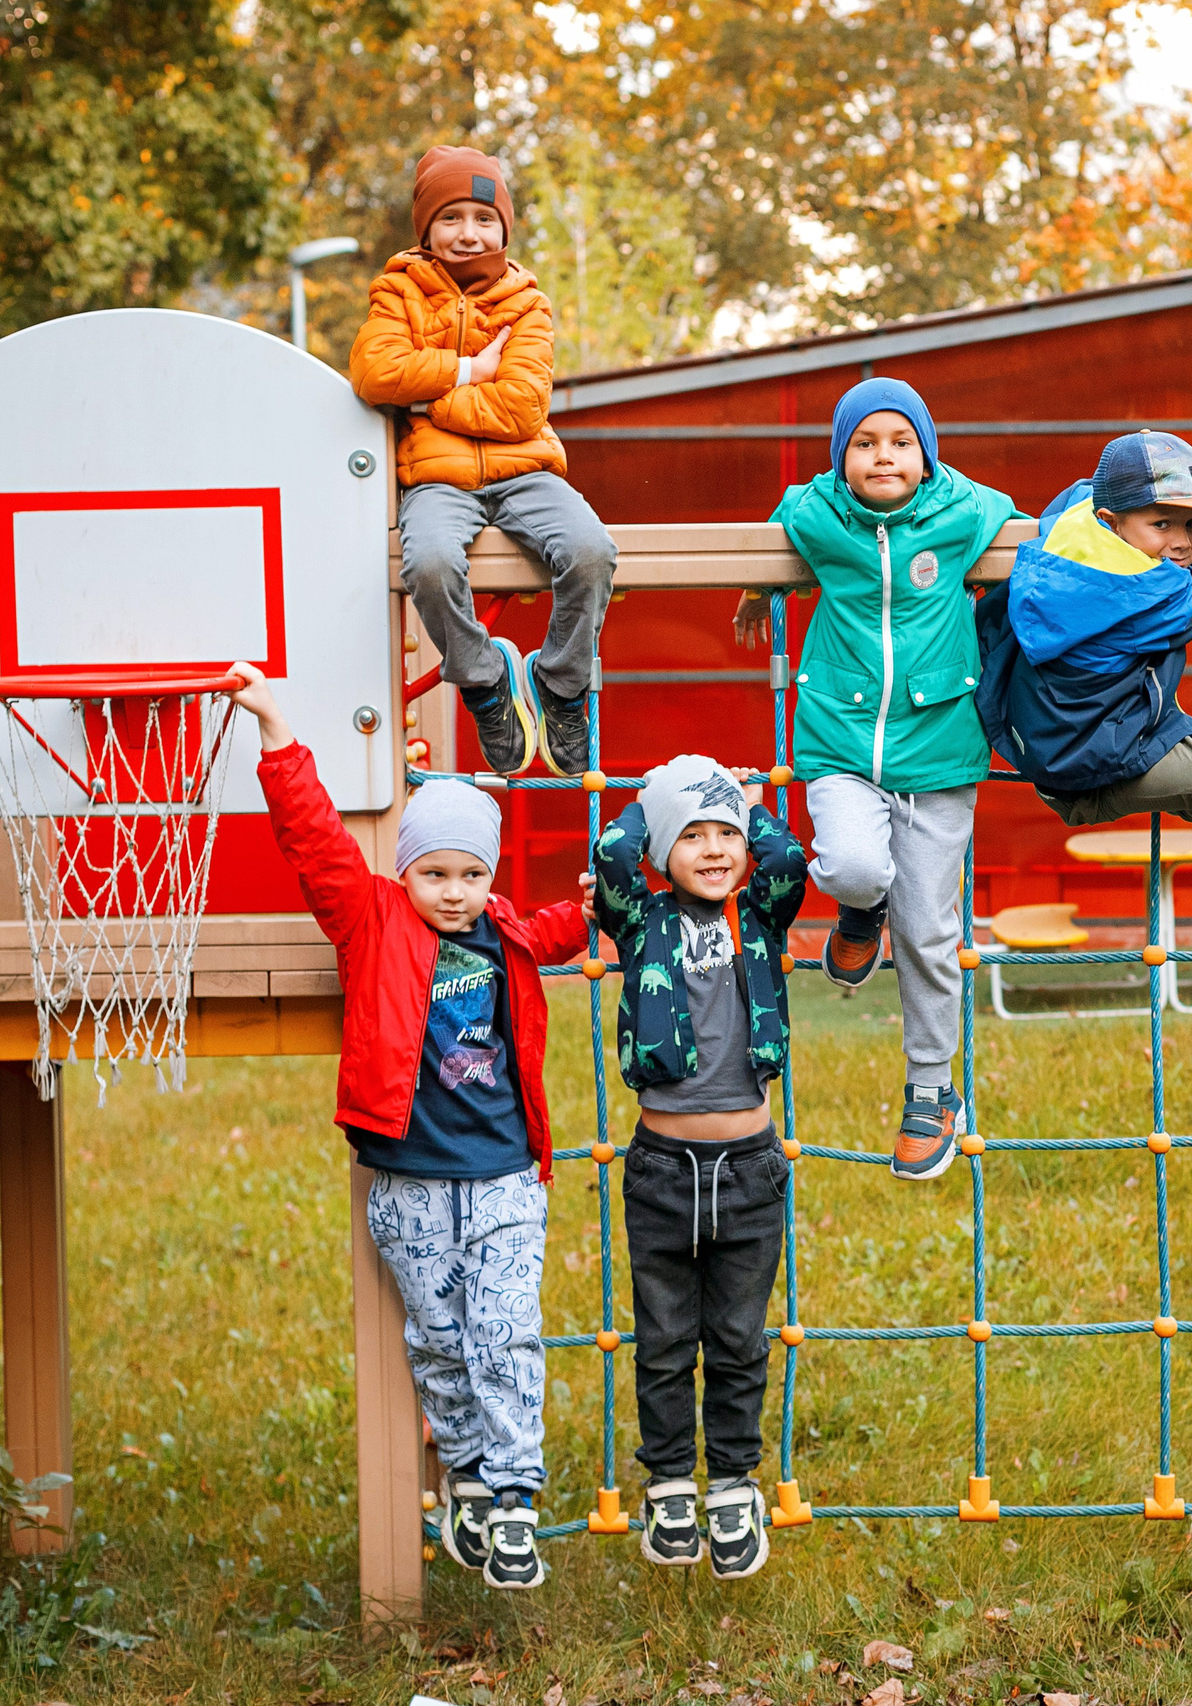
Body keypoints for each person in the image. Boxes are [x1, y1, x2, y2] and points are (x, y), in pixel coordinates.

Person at [232, 662, 587, 1592]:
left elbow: (553, 930)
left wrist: (593, 908)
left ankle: (513, 1497)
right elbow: (314, 842)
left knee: (505, 1331)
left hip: (507, 1175)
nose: (456, 891)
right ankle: (469, 1477)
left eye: (473, 874)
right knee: (436, 1339)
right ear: (406, 871)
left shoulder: (502, 930)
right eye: (436, 873)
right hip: (411, 1183)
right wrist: (276, 730)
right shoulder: (372, 919)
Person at [731, 379, 1017, 1182]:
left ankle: (931, 1088)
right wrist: (762, 586)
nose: (883, 455)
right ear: (841, 458)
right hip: (840, 738)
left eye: (901, 441)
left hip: (940, 748)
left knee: (929, 930)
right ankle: (860, 906)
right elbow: (780, 520)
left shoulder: (965, 512)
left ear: (926, 455)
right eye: (864, 443)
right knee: (854, 863)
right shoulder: (818, 513)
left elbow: (1033, 522)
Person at [589, 754, 809, 1579]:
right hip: (662, 1169)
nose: (715, 849)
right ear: (661, 848)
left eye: (725, 834)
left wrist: (746, 804)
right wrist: (655, 802)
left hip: (750, 1166)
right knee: (665, 1336)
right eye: (692, 835)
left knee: (738, 1338)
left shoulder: (761, 915)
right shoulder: (639, 921)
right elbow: (611, 858)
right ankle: (673, 1483)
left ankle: (734, 1486)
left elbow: (786, 861)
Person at [350, 144, 616, 780]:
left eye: (483, 218)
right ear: (426, 227)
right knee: (431, 562)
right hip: (437, 479)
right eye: (451, 218)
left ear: (503, 227)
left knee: (590, 551)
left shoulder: (527, 303)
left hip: (524, 469)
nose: (468, 233)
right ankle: (484, 682)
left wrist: (427, 403)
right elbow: (372, 372)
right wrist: (471, 370)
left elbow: (522, 408)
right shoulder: (398, 293)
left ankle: (560, 684)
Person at [975, 430, 1192, 826]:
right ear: (1111, 522)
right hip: (1077, 753)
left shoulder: (1068, 528)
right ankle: (1083, 800)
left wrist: (1186, 512)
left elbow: (1082, 491)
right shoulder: (1145, 594)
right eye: (1162, 524)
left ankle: (1089, 779)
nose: (1183, 543)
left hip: (1045, 731)